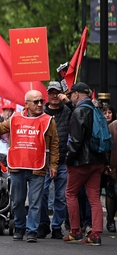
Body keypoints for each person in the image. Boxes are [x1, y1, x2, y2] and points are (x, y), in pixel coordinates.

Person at [0, 89, 59, 243]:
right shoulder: (15, 118)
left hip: (37, 168)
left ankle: (31, 231)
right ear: (26, 104)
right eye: (36, 102)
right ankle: (19, 228)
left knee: (35, 203)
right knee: (17, 201)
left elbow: (54, 145)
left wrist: (53, 165)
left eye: (41, 101)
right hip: (17, 166)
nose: (40, 104)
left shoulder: (48, 120)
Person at [63, 82, 109, 246]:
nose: (71, 98)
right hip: (98, 161)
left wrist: (68, 160)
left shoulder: (79, 111)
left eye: (71, 95)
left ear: (76, 94)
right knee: (94, 198)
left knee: (70, 193)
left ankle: (75, 231)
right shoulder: (96, 109)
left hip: (81, 162)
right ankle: (95, 234)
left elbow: (76, 140)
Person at [36, 81, 72, 240]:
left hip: (63, 160)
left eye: (57, 92)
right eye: (51, 92)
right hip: (43, 160)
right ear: (47, 95)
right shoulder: (40, 112)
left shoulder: (69, 111)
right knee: (41, 194)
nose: (54, 95)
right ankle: (44, 224)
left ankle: (57, 226)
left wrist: (69, 102)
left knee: (61, 196)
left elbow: (82, 113)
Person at [107, 106, 117, 233]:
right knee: (112, 194)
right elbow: (107, 148)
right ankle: (110, 220)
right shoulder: (113, 126)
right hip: (113, 167)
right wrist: (108, 166)